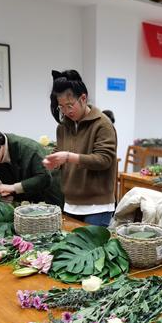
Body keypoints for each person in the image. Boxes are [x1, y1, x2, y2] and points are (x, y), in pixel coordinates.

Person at [43, 70, 117, 227]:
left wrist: (69, 157)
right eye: (61, 107)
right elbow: (62, 149)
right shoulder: (63, 127)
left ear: (83, 98)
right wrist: (54, 160)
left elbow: (104, 160)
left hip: (97, 206)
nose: (66, 111)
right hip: (71, 203)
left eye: (70, 105)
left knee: (89, 249)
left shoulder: (102, 124)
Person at [0, 127, 63, 206]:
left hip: (48, 198)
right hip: (25, 202)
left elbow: (44, 178)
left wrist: (12, 188)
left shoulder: (29, 149)